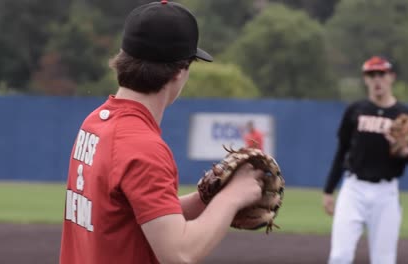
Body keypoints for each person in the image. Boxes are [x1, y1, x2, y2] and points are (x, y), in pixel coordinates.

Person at [59, 1, 265, 264]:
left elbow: (137, 215)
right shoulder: (143, 146)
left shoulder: (96, 123)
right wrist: (231, 198)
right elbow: (179, 253)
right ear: (180, 72)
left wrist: (205, 199)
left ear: (123, 57)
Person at [322, 56, 408, 264]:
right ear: (365, 79)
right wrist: (328, 189)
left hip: (386, 194)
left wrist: (405, 151)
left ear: (391, 77)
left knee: (384, 260)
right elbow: (342, 151)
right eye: (371, 75)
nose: (377, 79)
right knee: (339, 256)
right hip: (353, 190)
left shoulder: (404, 114)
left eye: (381, 74)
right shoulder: (356, 111)